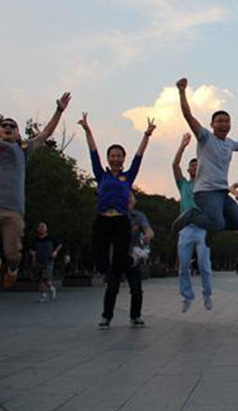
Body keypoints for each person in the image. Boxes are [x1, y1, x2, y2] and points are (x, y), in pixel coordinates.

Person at [0, 92, 71, 290]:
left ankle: (12, 268)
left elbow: (46, 133)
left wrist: (59, 110)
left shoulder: (24, 149)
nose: (8, 127)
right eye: (4, 125)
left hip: (13, 211)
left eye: (12, 126)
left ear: (17, 134)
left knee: (13, 255)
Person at [78, 112, 155, 329]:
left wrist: (146, 135)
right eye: (112, 155)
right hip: (102, 220)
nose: (116, 158)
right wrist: (87, 130)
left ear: (123, 159)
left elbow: (139, 157)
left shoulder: (127, 176)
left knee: (120, 263)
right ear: (108, 158)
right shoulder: (101, 175)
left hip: (121, 221)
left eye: (119, 156)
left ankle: (129, 313)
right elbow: (93, 153)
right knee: (101, 258)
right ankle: (108, 304)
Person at [173, 77, 238, 235]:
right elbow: (188, 115)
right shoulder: (205, 137)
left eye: (227, 121)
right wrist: (182, 91)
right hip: (206, 192)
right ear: (212, 124)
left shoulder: (229, 143)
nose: (224, 124)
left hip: (222, 192)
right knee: (216, 223)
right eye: (220, 121)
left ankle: (210, 222)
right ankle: (192, 216)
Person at [173, 132, 212, 312]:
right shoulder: (183, 184)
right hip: (186, 229)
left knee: (204, 265)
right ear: (189, 170)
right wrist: (182, 145)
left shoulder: (206, 186)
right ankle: (187, 296)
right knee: (183, 266)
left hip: (203, 229)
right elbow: (175, 165)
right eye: (193, 166)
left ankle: (207, 294)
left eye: (198, 165)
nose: (195, 168)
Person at [30, 222, 63, 302]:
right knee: (38, 279)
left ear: (46, 229)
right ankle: (43, 295)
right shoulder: (36, 239)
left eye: (43, 227)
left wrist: (55, 252)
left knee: (46, 278)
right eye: (40, 227)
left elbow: (59, 245)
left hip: (48, 260)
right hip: (38, 260)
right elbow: (31, 249)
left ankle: (51, 288)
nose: (41, 228)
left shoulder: (50, 237)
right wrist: (33, 254)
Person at [128, 193, 153, 268]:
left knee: (139, 255)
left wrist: (148, 235)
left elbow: (148, 230)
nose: (129, 199)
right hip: (117, 248)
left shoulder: (139, 216)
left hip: (134, 249)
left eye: (131, 197)